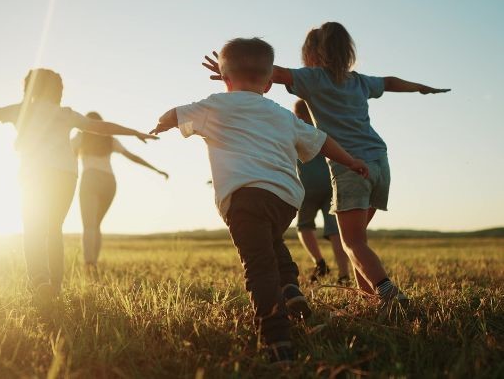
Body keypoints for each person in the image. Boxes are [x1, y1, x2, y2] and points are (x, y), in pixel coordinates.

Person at [203, 23, 450, 314]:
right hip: (380, 162)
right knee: (358, 242)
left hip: (351, 166)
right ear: (348, 51)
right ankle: (368, 302)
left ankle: (389, 294)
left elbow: (270, 72)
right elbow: (391, 81)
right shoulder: (359, 81)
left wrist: (231, 70)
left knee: (353, 243)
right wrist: (421, 88)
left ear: (311, 52)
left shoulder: (313, 78)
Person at [153, 38, 369, 365]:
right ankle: (291, 289)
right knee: (270, 242)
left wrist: (161, 124)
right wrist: (351, 161)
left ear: (224, 78)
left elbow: (174, 114)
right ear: (269, 83)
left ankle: (276, 337)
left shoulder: (213, 105)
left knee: (258, 266)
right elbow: (322, 140)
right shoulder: (281, 114)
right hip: (285, 199)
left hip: (243, 198)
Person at [0, 68, 156, 303]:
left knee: (33, 227)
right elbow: (101, 128)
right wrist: (134, 132)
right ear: (57, 91)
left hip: (35, 174)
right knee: (53, 229)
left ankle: (41, 282)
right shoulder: (66, 114)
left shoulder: (21, 110)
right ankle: (55, 286)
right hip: (66, 175)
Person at [71, 111, 169, 271]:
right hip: (109, 182)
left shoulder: (80, 138)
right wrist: (157, 170)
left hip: (90, 178)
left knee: (89, 226)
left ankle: (90, 264)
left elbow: (65, 153)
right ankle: (93, 263)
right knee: (96, 225)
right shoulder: (110, 140)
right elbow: (133, 157)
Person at [294, 99, 350, 285]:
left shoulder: (296, 131)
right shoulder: (325, 128)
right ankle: (343, 274)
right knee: (336, 231)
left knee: (304, 226)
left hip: (306, 188)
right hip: (331, 185)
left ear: (298, 115)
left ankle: (320, 263)